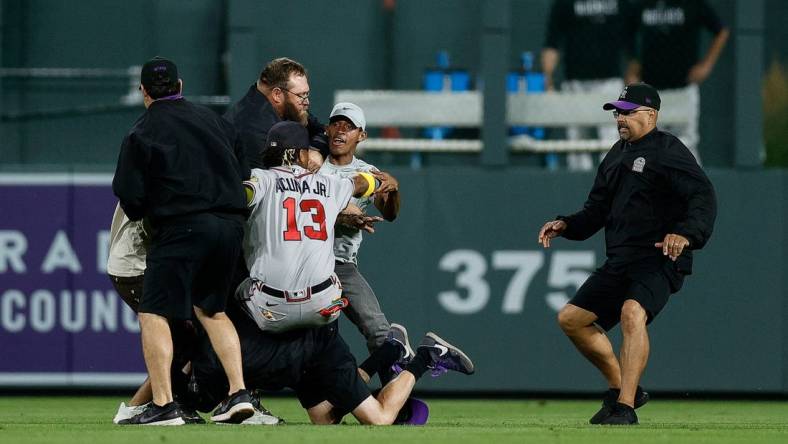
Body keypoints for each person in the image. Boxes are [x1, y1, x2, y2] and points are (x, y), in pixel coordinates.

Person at [186, 121, 474, 425]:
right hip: (323, 308)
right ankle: (415, 358)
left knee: (217, 301)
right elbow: (362, 183)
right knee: (350, 418)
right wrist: (382, 182)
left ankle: (238, 392)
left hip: (267, 308)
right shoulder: (331, 184)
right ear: (300, 154)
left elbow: (238, 195)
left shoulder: (262, 179)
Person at [537, 83, 717, 425]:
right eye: (618, 111)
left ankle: (625, 407)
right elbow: (596, 210)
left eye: (628, 112)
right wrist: (566, 225)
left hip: (660, 256)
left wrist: (686, 234)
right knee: (572, 320)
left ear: (651, 115)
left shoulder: (668, 150)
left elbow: (702, 196)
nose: (621, 118)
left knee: (632, 312)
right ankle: (621, 388)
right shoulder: (616, 154)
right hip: (622, 259)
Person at [112, 56, 253, 426]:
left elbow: (131, 197)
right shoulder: (214, 121)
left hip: (183, 226)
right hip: (230, 224)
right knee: (213, 310)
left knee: (153, 312)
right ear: (180, 85)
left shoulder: (141, 131)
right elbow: (241, 169)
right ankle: (238, 392)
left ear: (143, 91)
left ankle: (163, 404)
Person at [319, 102, 399, 356]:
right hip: (308, 262)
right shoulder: (312, 166)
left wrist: (394, 189)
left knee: (381, 334)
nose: (341, 130)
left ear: (361, 136)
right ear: (326, 129)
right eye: (336, 124)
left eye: (349, 126)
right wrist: (342, 217)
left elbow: (390, 213)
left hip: (341, 265)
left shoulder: (367, 174)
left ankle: (393, 394)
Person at [625, 0, 730, 161]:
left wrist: (707, 65)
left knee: (687, 146)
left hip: (683, 89)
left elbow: (721, 31)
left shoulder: (692, 4)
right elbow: (628, 32)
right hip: (651, 91)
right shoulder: (643, 4)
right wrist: (633, 65)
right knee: (648, 148)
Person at [541, 0, 635, 171]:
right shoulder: (565, 4)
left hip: (609, 83)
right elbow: (552, 42)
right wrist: (547, 78)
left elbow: (632, 43)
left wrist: (633, 79)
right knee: (576, 145)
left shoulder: (622, 4)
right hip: (575, 84)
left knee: (612, 143)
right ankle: (580, 193)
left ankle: (612, 191)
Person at [223, 57, 326, 175]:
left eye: (307, 94)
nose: (307, 101)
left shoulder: (290, 107)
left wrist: (316, 150)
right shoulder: (253, 130)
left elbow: (321, 130)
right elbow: (278, 182)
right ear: (277, 94)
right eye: (301, 95)